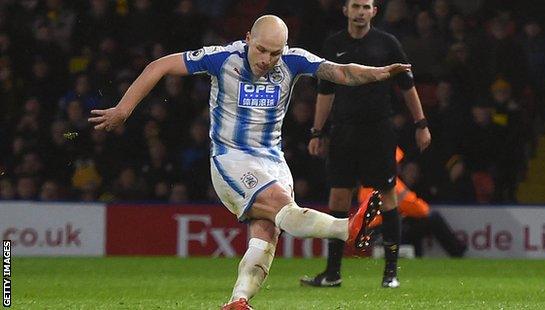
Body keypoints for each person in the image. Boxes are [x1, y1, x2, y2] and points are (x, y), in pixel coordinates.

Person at [88, 15, 411, 310]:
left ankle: (238, 301)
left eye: (275, 53)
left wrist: (379, 73)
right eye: (261, 50)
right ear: (247, 39)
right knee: (279, 204)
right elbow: (158, 66)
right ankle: (345, 229)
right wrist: (123, 109)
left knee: (267, 231)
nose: (267, 60)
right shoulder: (221, 58)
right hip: (232, 159)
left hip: (272, 160)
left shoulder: (293, 61)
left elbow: (340, 71)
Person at [301, 0, 431, 289]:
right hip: (343, 132)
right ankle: (333, 273)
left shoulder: (387, 43)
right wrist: (317, 132)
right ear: (345, 10)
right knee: (337, 199)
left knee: (388, 195)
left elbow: (407, 86)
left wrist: (421, 124)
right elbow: (326, 90)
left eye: (366, 6)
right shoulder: (333, 44)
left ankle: (390, 273)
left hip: (378, 131)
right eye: (355, 6)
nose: (360, 11)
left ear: (374, 12)